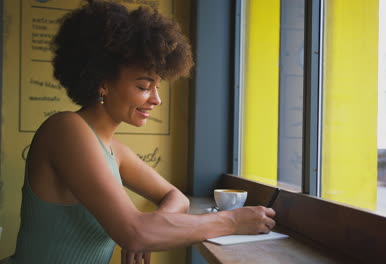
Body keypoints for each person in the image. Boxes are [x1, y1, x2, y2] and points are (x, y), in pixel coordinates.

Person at [6, 1, 276, 263]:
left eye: (157, 86)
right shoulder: (66, 130)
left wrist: (149, 231)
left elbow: (175, 198)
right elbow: (134, 233)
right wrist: (231, 220)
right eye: (144, 86)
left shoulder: (114, 149)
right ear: (103, 83)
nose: (156, 99)